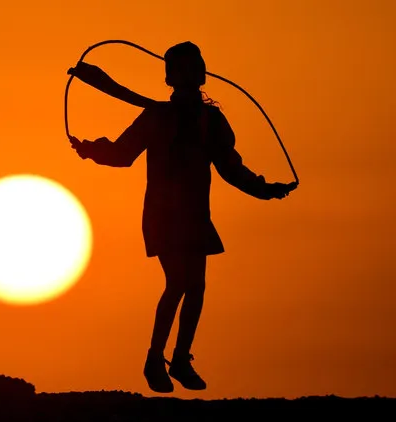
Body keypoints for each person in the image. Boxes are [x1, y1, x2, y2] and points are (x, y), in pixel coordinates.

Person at [68, 41, 297, 393]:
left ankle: (179, 359)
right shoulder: (157, 116)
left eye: (196, 67)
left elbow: (230, 168)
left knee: (196, 288)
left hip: (194, 214)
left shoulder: (210, 121)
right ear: (171, 77)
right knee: (179, 283)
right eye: (185, 68)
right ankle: (156, 359)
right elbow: (122, 153)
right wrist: (90, 150)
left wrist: (265, 189)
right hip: (163, 215)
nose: (192, 74)